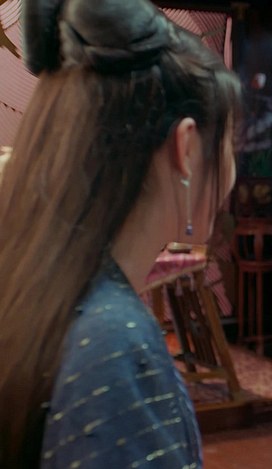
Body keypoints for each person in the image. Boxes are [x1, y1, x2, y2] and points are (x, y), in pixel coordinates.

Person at [0, 0, 241, 466]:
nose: (233, 169)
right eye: (229, 141)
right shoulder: (113, 342)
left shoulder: (46, 291)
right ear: (186, 147)